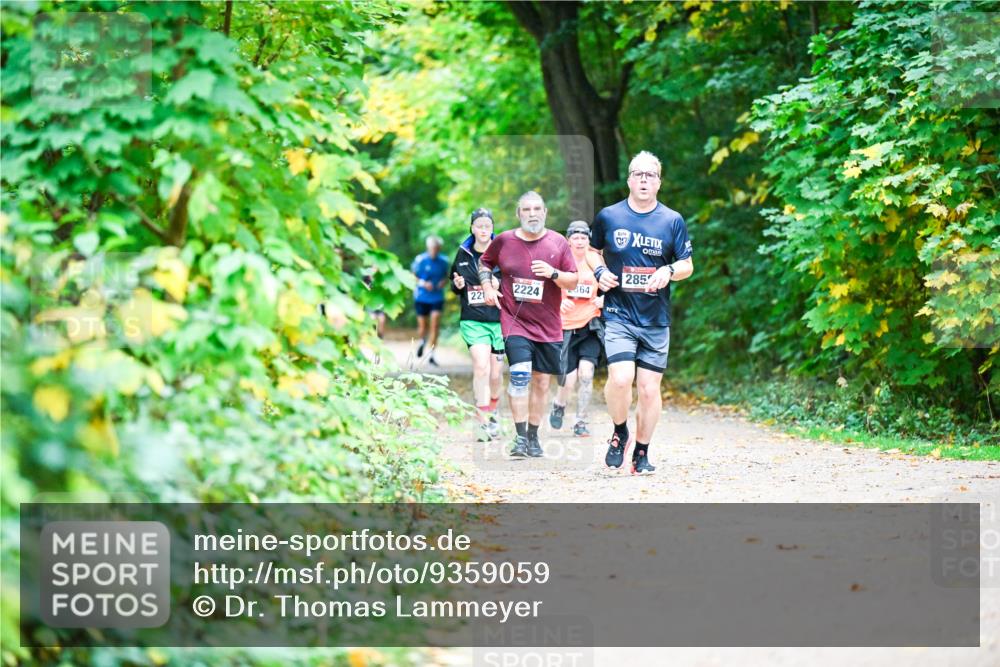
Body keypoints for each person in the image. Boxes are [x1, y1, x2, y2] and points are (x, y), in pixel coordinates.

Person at [590, 151, 694, 475]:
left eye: (651, 175)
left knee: (649, 390)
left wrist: (670, 271)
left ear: (659, 182)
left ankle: (642, 452)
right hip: (619, 313)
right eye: (638, 174)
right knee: (621, 379)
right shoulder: (609, 216)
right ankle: (620, 431)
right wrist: (599, 272)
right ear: (629, 180)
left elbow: (687, 264)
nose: (644, 180)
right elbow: (592, 252)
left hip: (655, 319)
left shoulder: (672, 220)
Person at [479, 191, 578, 458]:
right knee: (520, 375)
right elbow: (485, 262)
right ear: (518, 214)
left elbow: (573, 280)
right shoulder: (504, 241)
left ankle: (534, 437)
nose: (532, 213)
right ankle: (520, 438)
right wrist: (488, 286)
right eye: (526, 209)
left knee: (542, 382)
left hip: (548, 324)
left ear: (545, 213)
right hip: (514, 321)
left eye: (537, 209)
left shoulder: (558, 243)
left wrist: (554, 273)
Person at [451, 208, 505, 442]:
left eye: (487, 225)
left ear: (492, 228)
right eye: (479, 225)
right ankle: (482, 420)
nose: (483, 229)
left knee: (496, 373)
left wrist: (499, 282)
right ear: (472, 228)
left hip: (499, 320)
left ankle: (493, 410)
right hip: (473, 320)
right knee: (481, 366)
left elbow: (515, 280)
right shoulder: (462, 253)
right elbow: (453, 285)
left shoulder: (503, 251)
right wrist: (458, 285)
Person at [549, 221, 604, 437]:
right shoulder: (561, 261)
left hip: (590, 325)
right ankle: (559, 404)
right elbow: (546, 289)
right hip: (564, 327)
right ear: (569, 240)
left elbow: (612, 285)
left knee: (586, 374)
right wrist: (558, 303)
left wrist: (603, 299)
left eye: (584, 238)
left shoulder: (595, 262)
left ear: (589, 240)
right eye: (576, 237)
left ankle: (581, 421)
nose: (580, 241)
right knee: (567, 379)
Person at [411, 235, 450, 366]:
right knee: (423, 326)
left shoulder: (444, 261)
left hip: (437, 297)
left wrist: (442, 283)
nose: (435, 250)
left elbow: (446, 276)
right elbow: (412, 276)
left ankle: (431, 355)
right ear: (428, 247)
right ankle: (422, 341)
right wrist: (423, 283)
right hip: (421, 296)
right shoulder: (420, 260)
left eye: (437, 248)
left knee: (435, 325)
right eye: (432, 248)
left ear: (439, 248)